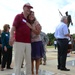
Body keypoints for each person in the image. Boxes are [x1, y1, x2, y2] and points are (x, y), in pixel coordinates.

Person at [9, 3, 33, 75]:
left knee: (28, 62)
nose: (29, 9)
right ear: (23, 8)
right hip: (19, 42)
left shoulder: (28, 20)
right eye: (27, 7)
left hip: (28, 43)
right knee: (18, 62)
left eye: (30, 8)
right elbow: (13, 28)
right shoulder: (19, 16)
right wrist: (11, 37)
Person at [27, 11, 44, 75]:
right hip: (30, 43)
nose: (32, 16)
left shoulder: (36, 22)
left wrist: (31, 27)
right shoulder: (27, 22)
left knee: (37, 59)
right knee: (31, 59)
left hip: (37, 42)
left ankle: (37, 72)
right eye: (30, 14)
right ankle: (32, 73)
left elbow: (38, 32)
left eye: (33, 14)